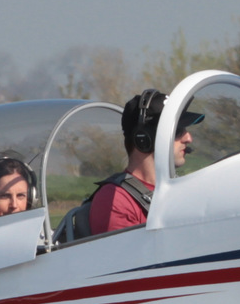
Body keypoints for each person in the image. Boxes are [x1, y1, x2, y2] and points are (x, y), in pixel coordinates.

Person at [85, 89, 202, 234]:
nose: (188, 138)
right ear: (144, 138)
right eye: (177, 130)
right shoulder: (116, 199)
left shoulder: (180, 190)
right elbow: (122, 255)